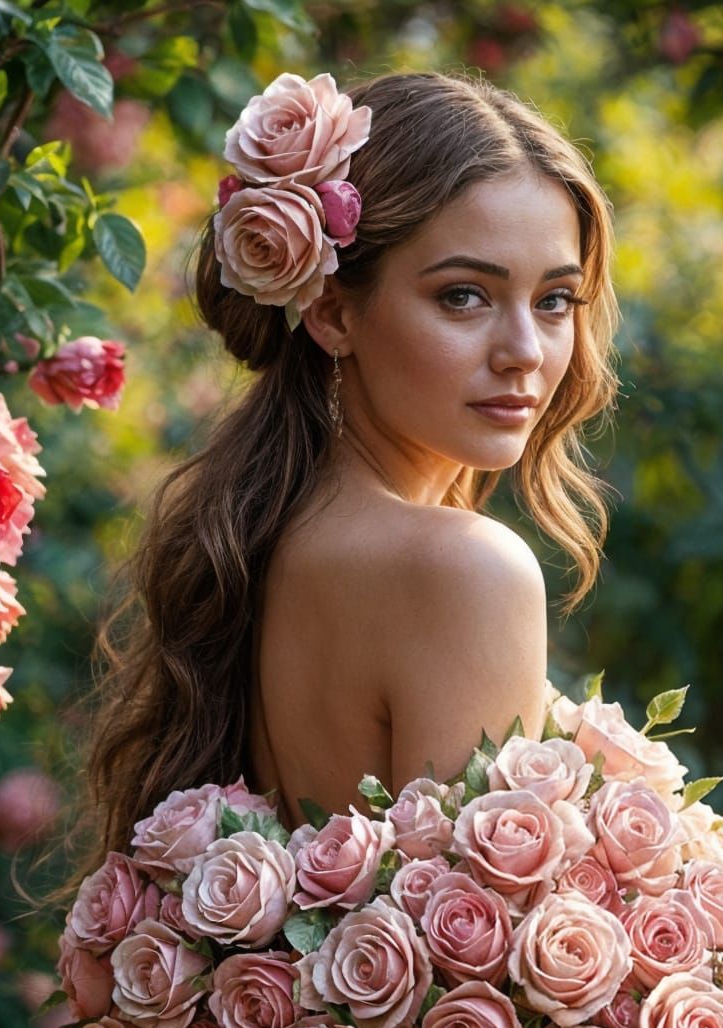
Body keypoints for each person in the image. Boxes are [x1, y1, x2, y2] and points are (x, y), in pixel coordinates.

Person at [80, 69, 621, 862]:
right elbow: (473, 970)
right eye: (465, 296)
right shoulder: (464, 568)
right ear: (334, 312)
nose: (525, 354)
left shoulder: (261, 531)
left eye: (555, 300)